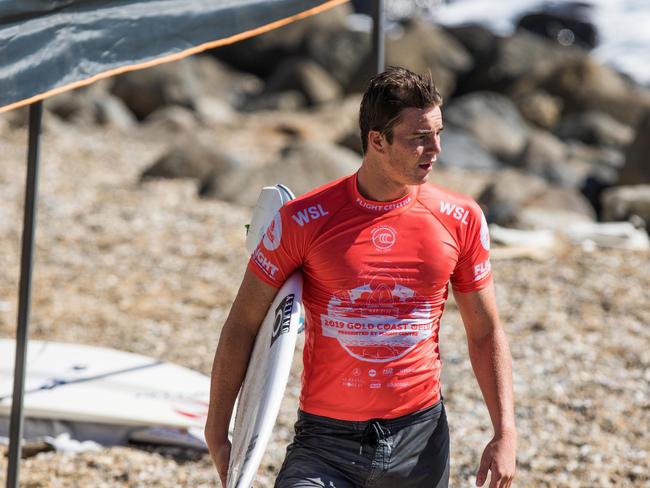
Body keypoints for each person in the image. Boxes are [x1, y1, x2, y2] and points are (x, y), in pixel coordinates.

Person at [205, 66, 516, 488]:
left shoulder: (460, 219)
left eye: (438, 133)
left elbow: (485, 331)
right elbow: (243, 324)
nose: (436, 149)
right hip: (325, 444)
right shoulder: (303, 220)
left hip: (419, 442)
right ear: (377, 141)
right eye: (419, 137)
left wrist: (505, 432)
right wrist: (218, 428)